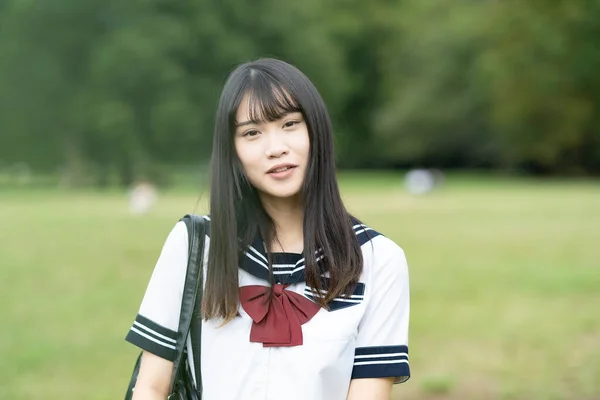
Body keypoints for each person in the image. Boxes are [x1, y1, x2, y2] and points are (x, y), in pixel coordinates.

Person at [125, 58, 411, 400]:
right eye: (251, 133)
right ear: (232, 151)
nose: (275, 148)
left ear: (316, 130)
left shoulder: (377, 261)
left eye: (290, 123)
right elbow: (152, 387)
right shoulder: (195, 246)